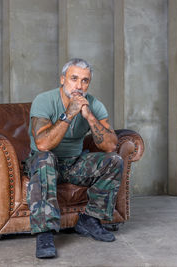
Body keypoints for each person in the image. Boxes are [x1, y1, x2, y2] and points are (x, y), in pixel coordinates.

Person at [25, 58, 124, 259]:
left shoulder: (94, 104)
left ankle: (90, 220)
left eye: (85, 81)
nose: (79, 86)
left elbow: (111, 145)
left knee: (114, 161)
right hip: (43, 161)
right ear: (63, 79)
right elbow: (43, 144)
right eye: (74, 78)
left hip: (74, 163)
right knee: (45, 158)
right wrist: (68, 114)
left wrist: (89, 117)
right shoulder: (44, 100)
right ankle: (44, 232)